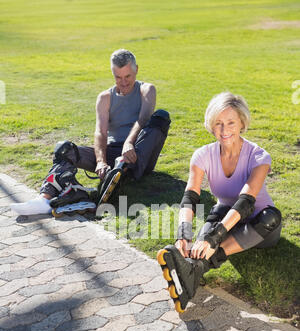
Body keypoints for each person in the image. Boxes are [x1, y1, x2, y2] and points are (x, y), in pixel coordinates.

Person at [157, 91, 282, 313]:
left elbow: (246, 202)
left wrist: (214, 238)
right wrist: (183, 235)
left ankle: (197, 268)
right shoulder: (202, 155)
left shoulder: (259, 156)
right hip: (226, 214)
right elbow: (190, 197)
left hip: (260, 224)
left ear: (242, 122)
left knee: (270, 216)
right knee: (201, 237)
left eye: (231, 123)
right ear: (211, 125)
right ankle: (190, 275)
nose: (224, 131)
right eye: (218, 124)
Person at [11, 49, 171, 216]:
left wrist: (129, 142)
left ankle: (121, 171)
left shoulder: (147, 89)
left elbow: (143, 118)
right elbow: (100, 133)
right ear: (112, 73)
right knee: (64, 149)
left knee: (161, 117)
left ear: (136, 70)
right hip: (112, 153)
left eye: (128, 76)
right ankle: (45, 199)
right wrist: (101, 161)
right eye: (118, 77)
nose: (123, 82)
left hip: (139, 153)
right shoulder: (105, 97)